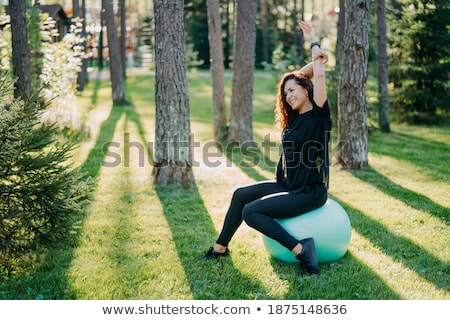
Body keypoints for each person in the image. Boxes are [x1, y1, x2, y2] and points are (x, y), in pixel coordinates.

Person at [203, 21, 331, 276]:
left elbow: (316, 74)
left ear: (307, 90)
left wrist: (314, 42)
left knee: (252, 211)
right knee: (241, 194)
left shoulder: (318, 113)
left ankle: (301, 250)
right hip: (290, 185)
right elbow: (304, 74)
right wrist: (306, 67)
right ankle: (220, 248)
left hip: (309, 191)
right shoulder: (295, 119)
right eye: (285, 94)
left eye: (292, 90)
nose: (288, 96)